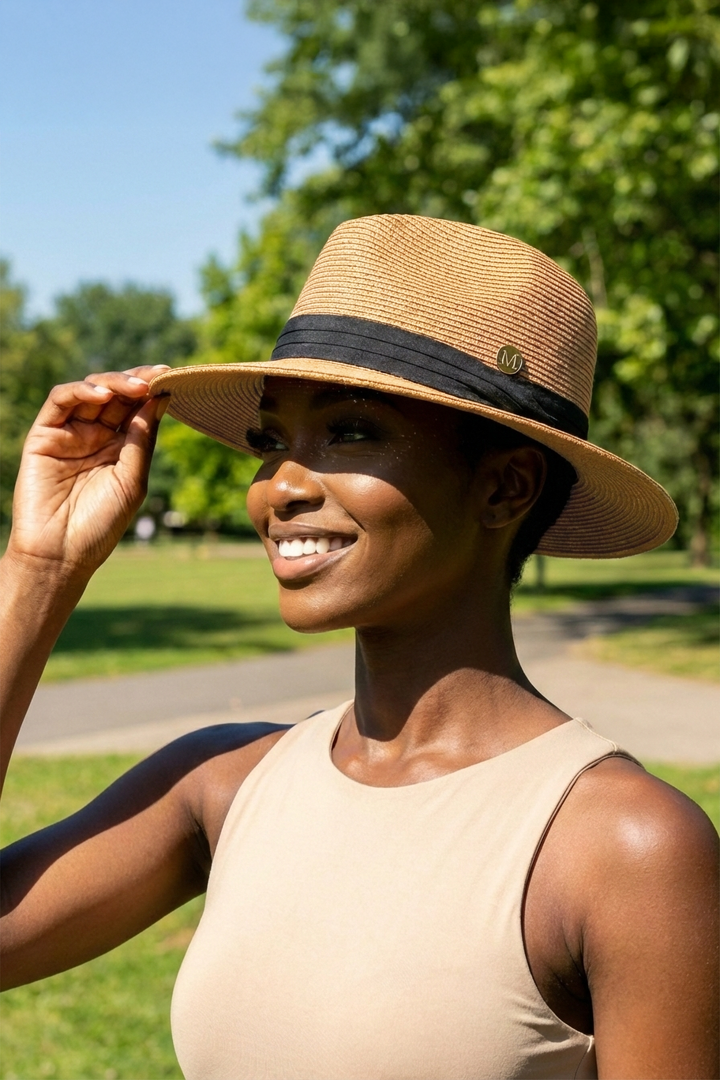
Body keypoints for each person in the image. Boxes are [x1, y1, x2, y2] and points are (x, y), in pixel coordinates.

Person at [1, 215, 717, 1080]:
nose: (282, 486)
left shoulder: (620, 846)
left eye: (351, 432)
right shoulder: (223, 786)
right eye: (272, 441)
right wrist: (41, 569)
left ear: (504, 486)